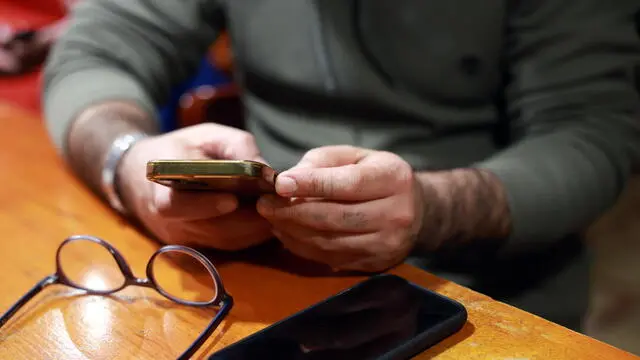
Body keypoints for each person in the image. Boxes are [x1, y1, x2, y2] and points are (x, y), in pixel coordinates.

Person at [43, 0, 640, 334]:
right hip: (253, 280)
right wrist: (129, 164)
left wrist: (433, 209)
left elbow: (590, 134)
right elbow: (98, 49)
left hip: (482, 297)